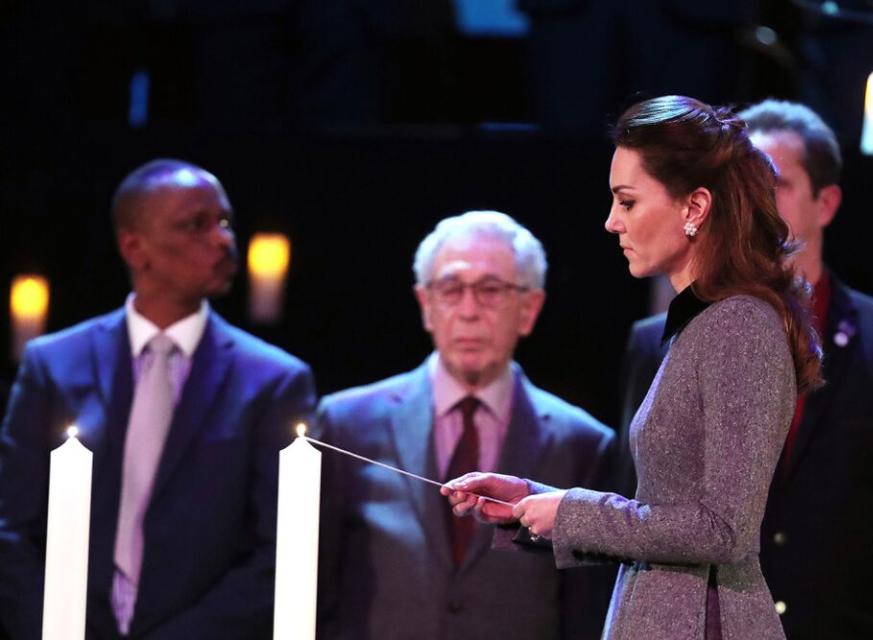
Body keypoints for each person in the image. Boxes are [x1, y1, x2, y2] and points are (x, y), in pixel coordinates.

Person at [443, 96, 822, 640]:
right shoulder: (703, 324)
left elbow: (723, 530)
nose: (611, 222)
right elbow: (662, 521)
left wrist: (570, 511)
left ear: (694, 207)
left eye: (627, 202)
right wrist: (532, 502)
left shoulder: (740, 325)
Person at [620, 99, 873, 639]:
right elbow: (636, 498)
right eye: (738, 181)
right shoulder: (655, 341)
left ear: (826, 203)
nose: (751, 200)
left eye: (771, 182)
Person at [0, 159, 318, 639]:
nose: (222, 239)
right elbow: (11, 526)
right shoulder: (55, 363)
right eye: (196, 225)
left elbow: (278, 552)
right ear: (135, 247)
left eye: (225, 222)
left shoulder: (273, 380)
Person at [315, 210, 617, 640]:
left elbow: (585, 611)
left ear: (529, 309)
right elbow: (319, 585)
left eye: (491, 290)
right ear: (426, 305)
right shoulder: (347, 422)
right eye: (451, 289)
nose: (469, 311)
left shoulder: (584, 444)